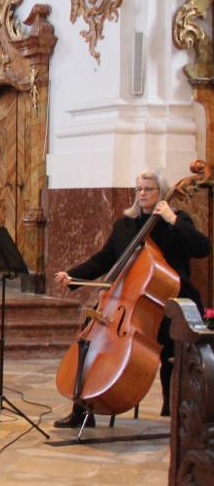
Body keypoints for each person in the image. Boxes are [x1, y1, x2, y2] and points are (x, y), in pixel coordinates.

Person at [52, 170, 211, 426]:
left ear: (162, 193)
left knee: (175, 344)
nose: (142, 194)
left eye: (148, 189)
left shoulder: (177, 220)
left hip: (173, 301)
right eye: (139, 189)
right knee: (88, 337)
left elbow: (203, 248)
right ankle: (82, 410)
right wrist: (72, 275)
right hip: (131, 302)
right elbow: (105, 258)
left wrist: (172, 220)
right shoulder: (125, 225)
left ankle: (173, 413)